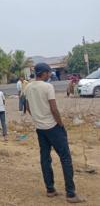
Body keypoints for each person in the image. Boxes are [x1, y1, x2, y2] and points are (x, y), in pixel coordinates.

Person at [25, 63, 85, 203]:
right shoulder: (47, 87)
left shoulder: (28, 87)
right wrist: (61, 124)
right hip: (53, 127)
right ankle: (70, 194)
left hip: (40, 129)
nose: (50, 74)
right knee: (65, 159)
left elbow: (27, 106)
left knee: (45, 158)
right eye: (49, 72)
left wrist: (37, 118)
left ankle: (50, 189)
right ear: (44, 73)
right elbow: (54, 108)